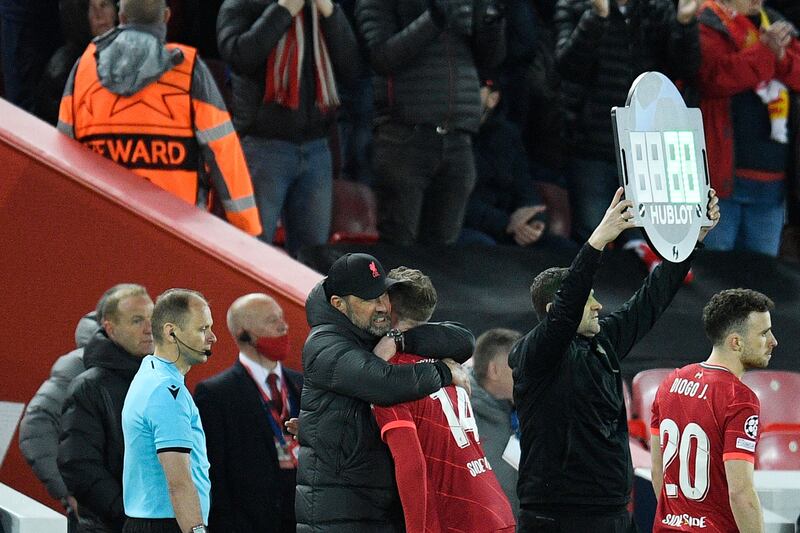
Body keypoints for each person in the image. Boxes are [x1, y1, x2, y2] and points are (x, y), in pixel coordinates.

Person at [509, 187, 720, 533]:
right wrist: (596, 243)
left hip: (614, 512)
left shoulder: (602, 340)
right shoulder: (534, 355)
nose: (598, 306)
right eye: (588, 300)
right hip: (559, 519)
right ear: (554, 312)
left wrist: (692, 240)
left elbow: (651, 299)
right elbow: (567, 308)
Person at [297, 252, 475, 532]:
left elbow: (463, 340)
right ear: (338, 304)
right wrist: (443, 372)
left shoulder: (377, 332)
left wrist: (400, 339)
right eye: (369, 299)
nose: (382, 307)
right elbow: (383, 382)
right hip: (339, 514)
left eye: (383, 295)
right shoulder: (323, 344)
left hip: (380, 507)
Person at [57, 0, 262, 237]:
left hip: (101, 228)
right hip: (179, 233)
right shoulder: (189, 70)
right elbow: (223, 151)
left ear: (121, 18)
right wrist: (248, 228)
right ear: (165, 17)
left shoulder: (84, 67)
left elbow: (63, 152)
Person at [372, 267, 516, 533]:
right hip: (494, 508)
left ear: (388, 308)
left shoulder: (392, 375)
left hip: (455, 519)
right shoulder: (448, 362)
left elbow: (411, 465)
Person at [356, 0, 506, 245]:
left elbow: (491, 59)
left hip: (459, 138)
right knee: (400, 248)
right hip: (404, 139)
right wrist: (435, 16)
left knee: (443, 254)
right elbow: (382, 57)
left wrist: (493, 18)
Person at [216, 0, 359, 255]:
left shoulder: (321, 9)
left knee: (313, 258)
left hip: (316, 148)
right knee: (251, 252)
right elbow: (239, 56)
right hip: (263, 147)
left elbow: (351, 66)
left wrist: (331, 13)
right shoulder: (241, 4)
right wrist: (283, 11)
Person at [554, 0, 700, 247]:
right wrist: (597, 17)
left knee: (648, 240)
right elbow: (568, 66)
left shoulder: (655, 8)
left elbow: (686, 69)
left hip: (646, 149)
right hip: (590, 145)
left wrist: (685, 24)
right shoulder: (574, 6)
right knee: (593, 235)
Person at [650, 289, 776, 532]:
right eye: (763, 333)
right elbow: (741, 493)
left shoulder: (670, 383)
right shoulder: (740, 400)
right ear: (736, 342)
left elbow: (658, 472)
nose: (773, 341)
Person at [696, 0, 800, 256]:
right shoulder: (707, 21)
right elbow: (715, 78)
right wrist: (765, 51)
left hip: (772, 182)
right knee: (716, 275)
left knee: (763, 282)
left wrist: (781, 56)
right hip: (721, 180)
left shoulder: (774, 23)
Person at [195, 294, 302, 532]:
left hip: (302, 519)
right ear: (246, 333)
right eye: (272, 321)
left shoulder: (303, 385)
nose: (283, 326)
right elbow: (215, 474)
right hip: (250, 523)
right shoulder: (216, 394)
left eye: (282, 318)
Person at [58, 284, 154, 533]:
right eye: (136, 321)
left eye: (152, 318)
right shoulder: (89, 386)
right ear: (110, 328)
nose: (149, 328)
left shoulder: (167, 381)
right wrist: (131, 515)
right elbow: (79, 464)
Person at [121, 289, 216, 533]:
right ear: (171, 332)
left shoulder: (150, 373)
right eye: (202, 329)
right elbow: (179, 482)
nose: (213, 338)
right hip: (167, 524)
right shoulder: (166, 391)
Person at [18, 310, 99, 526]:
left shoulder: (146, 367)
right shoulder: (79, 365)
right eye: (136, 319)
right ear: (111, 324)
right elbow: (36, 427)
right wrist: (68, 493)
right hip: (95, 513)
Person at [34, 0, 118, 125]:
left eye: (104, 4)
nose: (99, 15)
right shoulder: (62, 69)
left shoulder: (132, 54)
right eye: (89, 8)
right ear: (78, 16)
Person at [469, 327, 521, 518]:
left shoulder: (526, 408)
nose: (526, 373)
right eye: (518, 367)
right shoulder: (462, 414)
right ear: (494, 370)